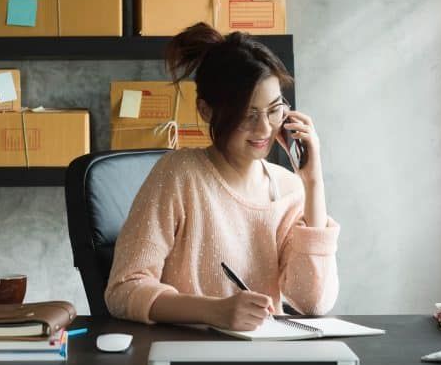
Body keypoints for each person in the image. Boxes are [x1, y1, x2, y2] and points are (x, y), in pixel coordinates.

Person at [104, 23, 340, 331]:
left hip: (265, 358)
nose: (265, 128)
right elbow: (123, 290)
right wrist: (212, 311)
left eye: (274, 110)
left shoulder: (289, 189)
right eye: (247, 113)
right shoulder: (178, 175)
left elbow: (313, 302)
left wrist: (313, 183)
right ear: (206, 110)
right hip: (189, 354)